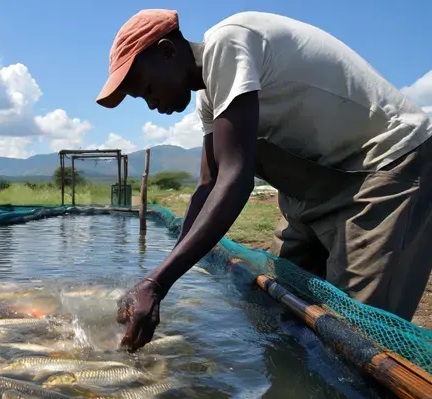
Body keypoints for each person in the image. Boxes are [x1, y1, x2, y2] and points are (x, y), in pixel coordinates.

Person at [97, 9, 432, 351]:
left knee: (354, 341)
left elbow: (235, 179)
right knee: (274, 312)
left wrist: (158, 283)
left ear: (168, 51)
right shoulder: (209, 97)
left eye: (148, 89)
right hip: (317, 189)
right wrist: (164, 270)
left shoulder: (227, 43)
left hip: (386, 170)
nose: (151, 103)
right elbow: (207, 187)